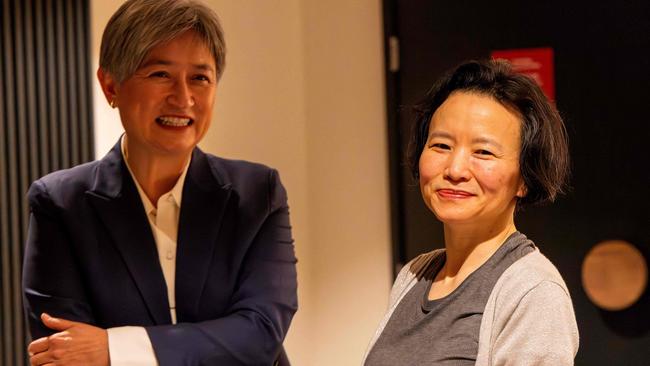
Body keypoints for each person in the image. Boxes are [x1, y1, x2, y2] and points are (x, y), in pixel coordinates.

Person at [22, 0, 297, 365]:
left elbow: (260, 333)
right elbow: (61, 352)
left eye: (200, 77)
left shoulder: (256, 193)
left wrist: (113, 349)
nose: (183, 98)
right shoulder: (61, 204)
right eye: (159, 75)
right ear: (110, 85)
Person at [363, 60, 579, 365]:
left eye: (483, 152)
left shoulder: (532, 291)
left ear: (525, 179)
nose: (455, 169)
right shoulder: (414, 275)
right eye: (440, 145)